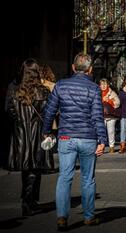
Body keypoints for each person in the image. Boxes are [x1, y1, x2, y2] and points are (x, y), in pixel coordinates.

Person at [43, 53, 107, 230]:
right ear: (90, 69)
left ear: (73, 67)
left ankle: (62, 218)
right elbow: (97, 117)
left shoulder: (61, 85)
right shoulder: (94, 89)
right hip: (88, 138)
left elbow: (49, 111)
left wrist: (46, 132)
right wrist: (102, 140)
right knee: (88, 179)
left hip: (65, 137)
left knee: (64, 177)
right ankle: (88, 217)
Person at [7, 58, 52, 216]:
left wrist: (19, 123)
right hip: (37, 134)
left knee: (27, 169)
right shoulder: (43, 91)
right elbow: (48, 114)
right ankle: (28, 202)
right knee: (34, 169)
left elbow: (8, 110)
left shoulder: (14, 90)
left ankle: (30, 200)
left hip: (20, 134)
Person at [99, 78, 121, 153]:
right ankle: (101, 146)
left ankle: (112, 147)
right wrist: (102, 100)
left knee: (111, 131)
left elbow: (118, 103)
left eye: (105, 84)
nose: (103, 86)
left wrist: (109, 100)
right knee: (101, 131)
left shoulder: (112, 93)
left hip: (111, 115)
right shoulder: (97, 93)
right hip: (100, 115)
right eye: (102, 84)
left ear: (108, 85)